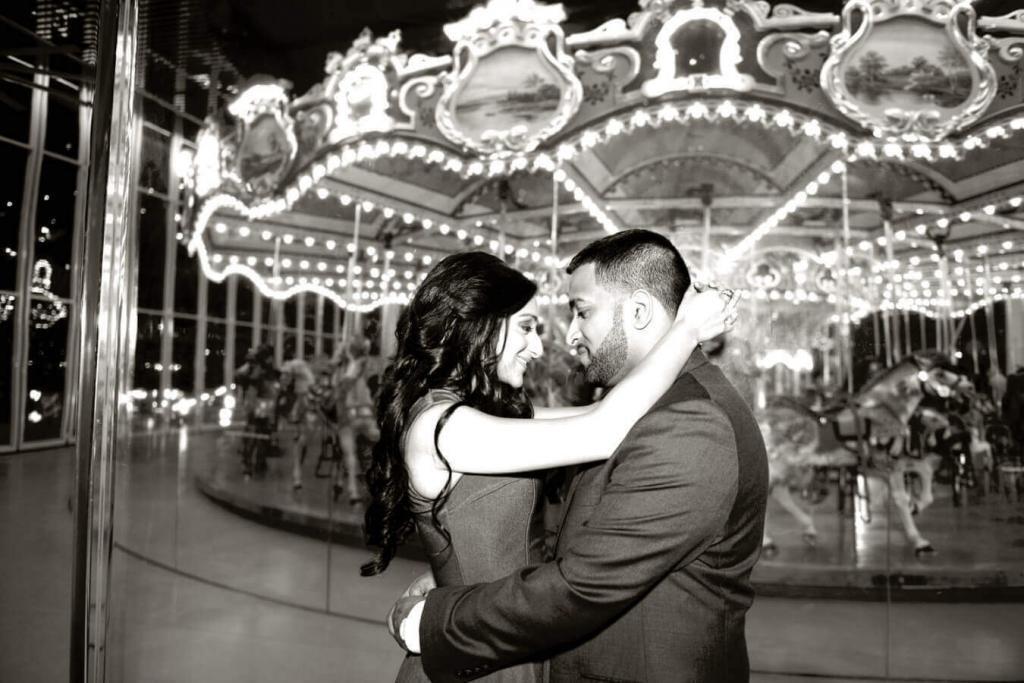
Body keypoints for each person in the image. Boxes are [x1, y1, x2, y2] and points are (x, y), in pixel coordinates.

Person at [387, 230, 768, 683]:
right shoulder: (447, 425)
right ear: (479, 328)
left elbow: (598, 420)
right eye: (527, 328)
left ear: (640, 311)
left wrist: (449, 603)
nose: (558, 340)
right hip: (492, 655)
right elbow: (602, 427)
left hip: (505, 646)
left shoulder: (687, 423)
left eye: (581, 312)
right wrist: (685, 329)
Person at [279, 339, 317, 489]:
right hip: (305, 401)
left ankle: (297, 471)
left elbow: (286, 376)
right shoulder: (300, 365)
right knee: (302, 438)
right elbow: (286, 375)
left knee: (302, 438)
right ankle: (297, 473)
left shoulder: (304, 366)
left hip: (306, 400)